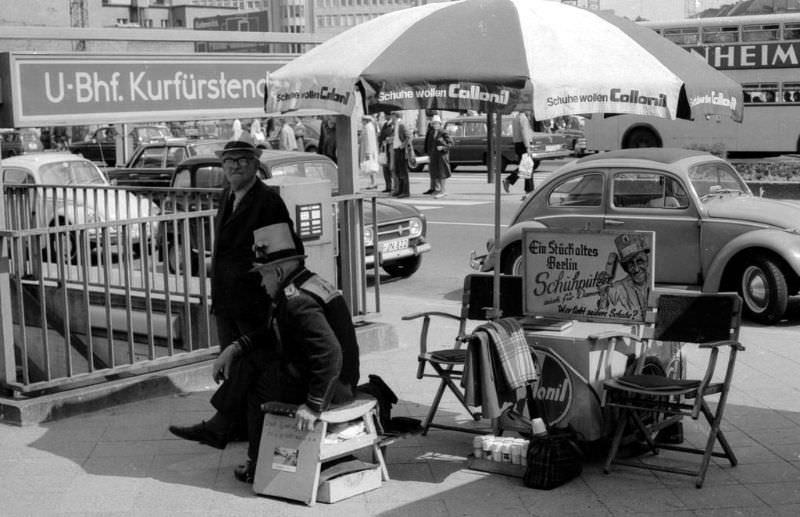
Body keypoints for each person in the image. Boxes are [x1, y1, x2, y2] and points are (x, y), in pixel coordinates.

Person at [171, 221, 360, 484]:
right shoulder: (302, 285)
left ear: (279, 271)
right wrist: (235, 348)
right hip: (328, 377)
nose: (261, 282)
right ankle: (220, 427)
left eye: (263, 274)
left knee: (260, 386)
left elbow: (330, 354)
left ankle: (256, 463)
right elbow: (273, 331)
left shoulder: (298, 302)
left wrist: (314, 405)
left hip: (333, 387)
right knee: (250, 360)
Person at [167, 140, 303, 444]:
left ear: (256, 165)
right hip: (227, 297)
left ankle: (223, 424)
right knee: (232, 364)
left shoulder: (267, 201)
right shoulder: (227, 194)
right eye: (229, 161)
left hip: (254, 299)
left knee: (250, 364)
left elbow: (286, 253)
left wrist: (271, 294)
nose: (235, 166)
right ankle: (237, 425)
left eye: (243, 160)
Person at [596, 233, 651, 320]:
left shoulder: (654, 283)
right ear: (625, 268)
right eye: (630, 264)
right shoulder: (616, 289)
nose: (636, 269)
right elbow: (601, 315)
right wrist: (603, 296)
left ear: (647, 261)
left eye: (640, 261)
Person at [502, 111, 534, 197]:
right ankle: (510, 180)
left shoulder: (516, 117)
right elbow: (524, 132)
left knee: (526, 167)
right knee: (527, 166)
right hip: (523, 144)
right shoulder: (523, 118)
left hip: (518, 144)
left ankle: (529, 189)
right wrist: (527, 146)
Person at [424, 115, 452, 198]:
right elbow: (429, 144)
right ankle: (439, 189)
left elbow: (450, 143)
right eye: (434, 124)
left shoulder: (444, 132)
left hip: (442, 156)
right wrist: (429, 154)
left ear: (440, 124)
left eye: (437, 123)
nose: (435, 125)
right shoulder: (432, 132)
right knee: (435, 173)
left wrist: (443, 147)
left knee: (442, 173)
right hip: (434, 156)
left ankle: (443, 190)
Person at [390, 111, 412, 198]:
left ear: (395, 116)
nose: (391, 118)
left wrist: (403, 145)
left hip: (401, 151)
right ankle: (400, 190)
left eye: (392, 116)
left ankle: (405, 191)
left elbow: (409, 136)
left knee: (403, 172)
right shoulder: (397, 125)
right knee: (398, 171)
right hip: (397, 150)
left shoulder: (401, 124)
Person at [359, 114, 379, 189]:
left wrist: (368, 152)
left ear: (365, 120)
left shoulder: (368, 127)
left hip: (369, 150)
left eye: (362, 120)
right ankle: (373, 182)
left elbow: (369, 140)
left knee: (371, 167)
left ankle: (374, 182)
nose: (361, 122)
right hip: (371, 150)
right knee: (371, 166)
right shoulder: (369, 126)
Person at [378, 111, 395, 193]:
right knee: (385, 168)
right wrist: (380, 145)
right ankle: (388, 186)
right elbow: (381, 136)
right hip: (384, 149)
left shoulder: (393, 125)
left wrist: (388, 140)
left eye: (386, 115)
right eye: (385, 115)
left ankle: (394, 186)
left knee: (391, 168)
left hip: (391, 149)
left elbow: (394, 136)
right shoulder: (385, 125)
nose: (385, 116)